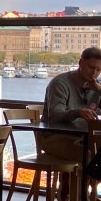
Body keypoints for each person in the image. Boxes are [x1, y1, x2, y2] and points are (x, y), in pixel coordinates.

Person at [40, 47, 101, 188]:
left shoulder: (96, 87)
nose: (94, 73)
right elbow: (55, 115)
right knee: (88, 156)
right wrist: (77, 112)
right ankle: (81, 194)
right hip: (54, 137)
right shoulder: (60, 83)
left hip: (84, 138)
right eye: (91, 67)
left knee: (95, 155)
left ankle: (80, 189)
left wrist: (99, 90)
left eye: (98, 70)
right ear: (80, 63)